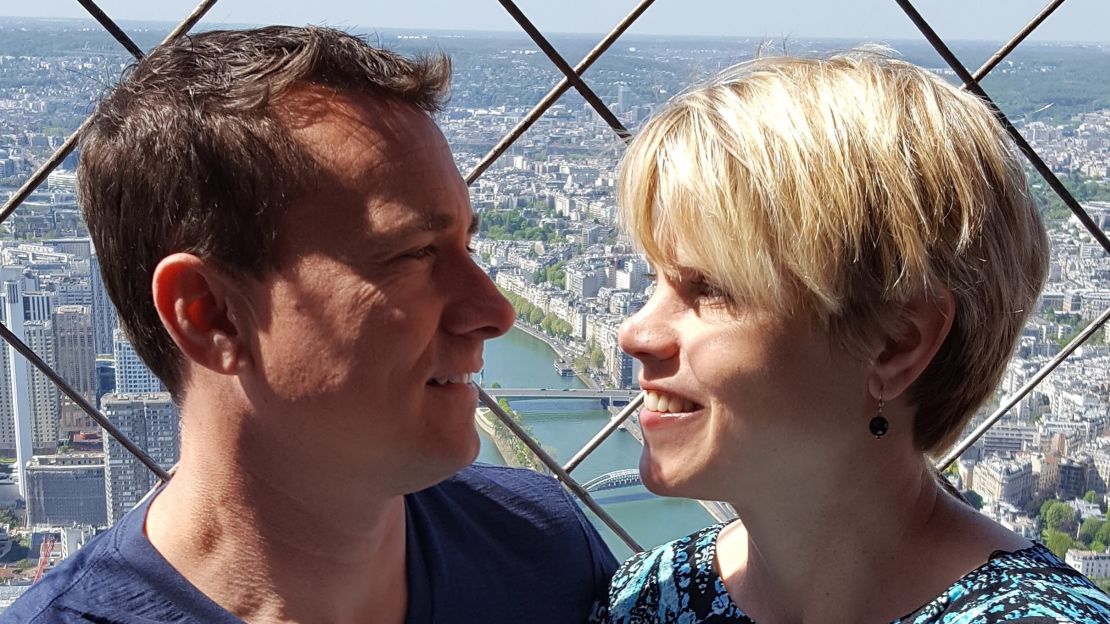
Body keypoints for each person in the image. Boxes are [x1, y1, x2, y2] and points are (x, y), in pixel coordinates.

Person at [3, 26, 616, 624]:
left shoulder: (548, 545)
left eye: (468, 249)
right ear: (211, 314)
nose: (495, 311)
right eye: (412, 254)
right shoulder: (533, 554)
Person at [605, 52, 1110, 623]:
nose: (635, 332)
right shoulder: (643, 597)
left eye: (713, 288)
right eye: (654, 279)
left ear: (896, 344)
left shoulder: (655, 600)